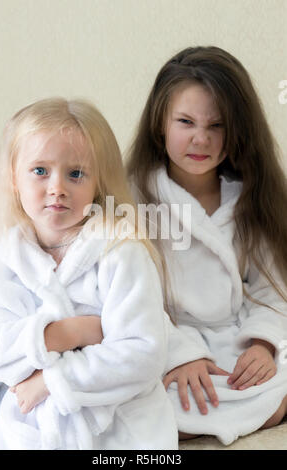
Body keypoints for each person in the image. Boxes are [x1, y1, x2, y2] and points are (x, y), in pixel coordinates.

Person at [0, 97, 178, 450]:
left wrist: (52, 380)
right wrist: (65, 333)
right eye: (40, 171)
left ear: (98, 182)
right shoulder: (5, 260)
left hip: (120, 427)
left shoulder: (120, 253)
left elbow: (142, 354)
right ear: (14, 177)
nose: (57, 187)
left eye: (75, 174)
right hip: (30, 426)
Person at [126, 46, 287, 445]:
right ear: (159, 124)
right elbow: (127, 297)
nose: (201, 138)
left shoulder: (249, 198)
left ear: (237, 131)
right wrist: (181, 354)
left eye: (217, 126)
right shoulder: (132, 197)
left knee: (276, 388)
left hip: (234, 337)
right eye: (185, 121)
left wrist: (262, 344)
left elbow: (272, 287)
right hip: (163, 339)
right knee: (130, 401)